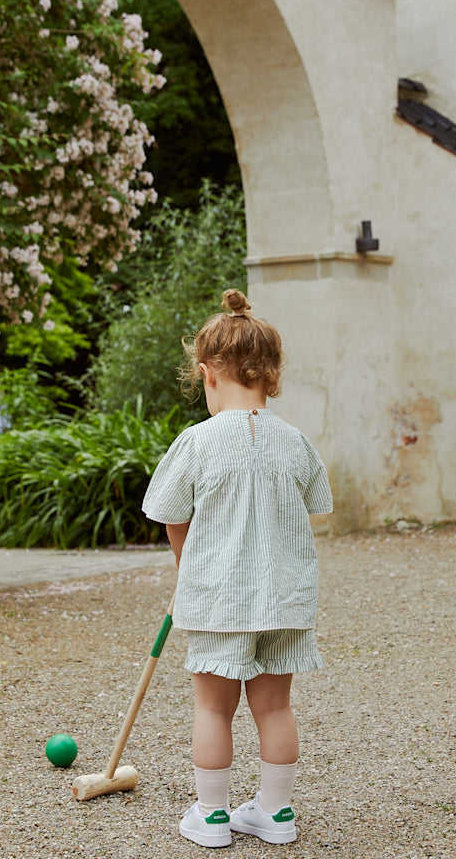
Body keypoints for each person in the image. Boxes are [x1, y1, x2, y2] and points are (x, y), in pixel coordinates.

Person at [142, 288, 332, 848]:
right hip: (284, 598)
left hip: (219, 598)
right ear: (272, 374)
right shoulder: (294, 441)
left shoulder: (196, 442)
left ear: (206, 373)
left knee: (213, 707)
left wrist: (188, 568)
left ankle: (213, 815)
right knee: (274, 706)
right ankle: (275, 815)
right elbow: (314, 507)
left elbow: (171, 514)